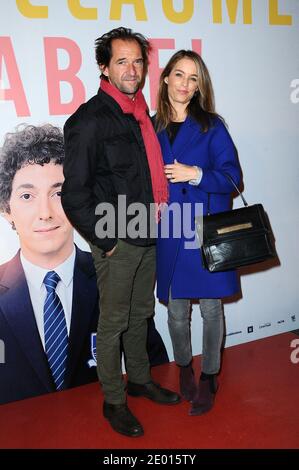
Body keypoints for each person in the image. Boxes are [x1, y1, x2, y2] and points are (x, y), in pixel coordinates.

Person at [61, 27, 180, 438]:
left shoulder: (140, 112)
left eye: (137, 61)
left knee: (141, 315)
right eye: (122, 61)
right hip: (118, 239)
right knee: (112, 323)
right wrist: (107, 240)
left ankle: (142, 381)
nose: (132, 69)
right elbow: (74, 194)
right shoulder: (89, 120)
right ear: (103, 67)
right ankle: (114, 400)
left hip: (149, 232)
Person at [0, 124, 168, 406]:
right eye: (27, 196)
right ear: (6, 210)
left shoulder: (118, 279)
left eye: (59, 193)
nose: (45, 213)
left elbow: (155, 373)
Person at [155, 50, 242, 416]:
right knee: (176, 313)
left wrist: (197, 174)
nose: (185, 84)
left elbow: (234, 178)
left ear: (198, 87)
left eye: (193, 79)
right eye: (179, 75)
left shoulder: (212, 126)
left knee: (210, 309)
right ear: (165, 79)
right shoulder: (151, 126)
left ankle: (209, 375)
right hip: (170, 229)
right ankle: (183, 368)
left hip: (205, 229)